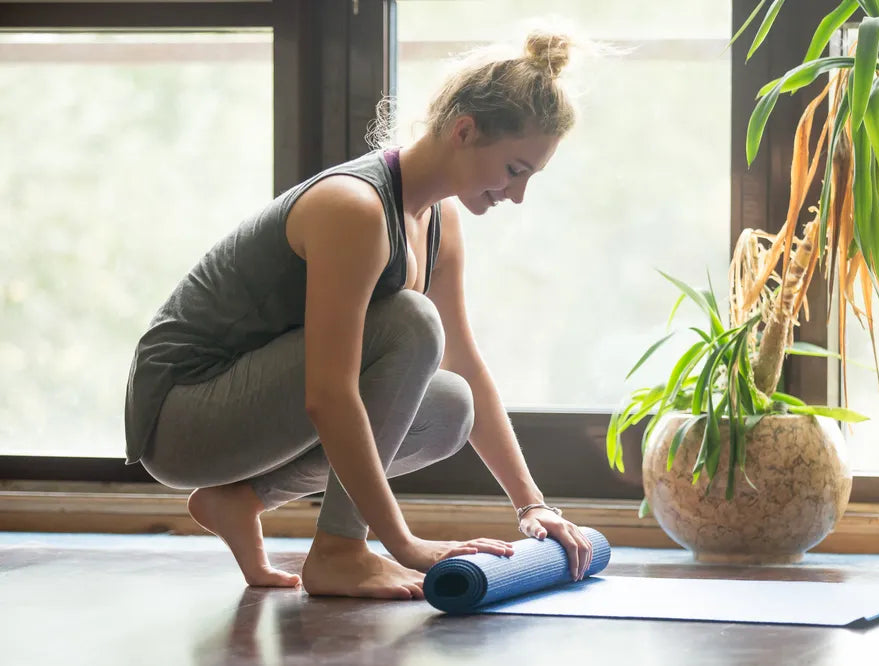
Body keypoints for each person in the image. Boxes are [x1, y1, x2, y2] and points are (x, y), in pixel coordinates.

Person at [124, 29, 594, 600]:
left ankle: (240, 499)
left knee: (451, 405)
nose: (517, 195)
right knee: (413, 321)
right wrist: (402, 542)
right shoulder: (356, 209)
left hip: (243, 413)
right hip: (181, 415)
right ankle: (340, 551)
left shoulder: (439, 222)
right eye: (515, 170)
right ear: (465, 131)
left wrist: (532, 504)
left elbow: (465, 363)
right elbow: (328, 393)